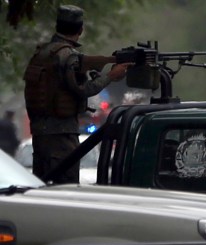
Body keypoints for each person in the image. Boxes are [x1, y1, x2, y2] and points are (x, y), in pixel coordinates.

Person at [23, 4, 130, 184]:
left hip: (41, 135)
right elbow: (83, 90)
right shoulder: (68, 56)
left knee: (42, 190)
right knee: (65, 188)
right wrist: (110, 76)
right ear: (80, 29)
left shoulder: (42, 52)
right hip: (61, 136)